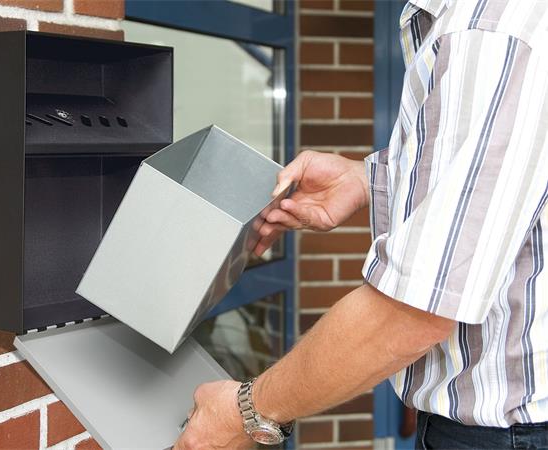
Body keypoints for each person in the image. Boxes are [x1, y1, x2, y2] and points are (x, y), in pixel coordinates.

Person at [174, 0, 548, 448]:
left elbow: (415, 312)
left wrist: (246, 413)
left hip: (511, 436)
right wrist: (365, 179)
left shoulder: (492, 32)